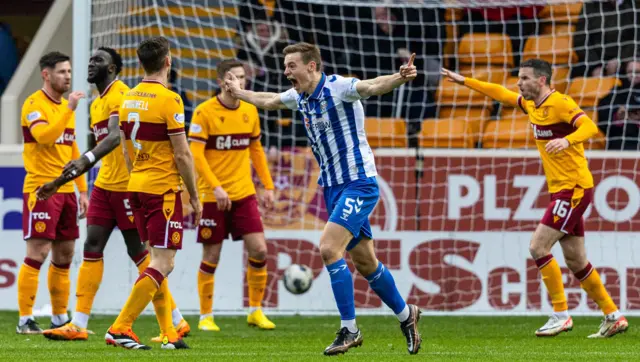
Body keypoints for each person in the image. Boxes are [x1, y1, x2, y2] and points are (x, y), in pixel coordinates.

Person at [225, 42, 422, 355]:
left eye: (292, 66)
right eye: (285, 66)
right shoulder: (300, 97)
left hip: (358, 182)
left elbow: (370, 86)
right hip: (332, 187)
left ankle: (350, 329)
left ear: (311, 66)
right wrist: (239, 93)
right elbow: (271, 100)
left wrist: (399, 78)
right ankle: (406, 314)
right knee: (366, 263)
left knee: (329, 249)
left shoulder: (339, 87)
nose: (286, 71)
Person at [441, 59, 629, 338]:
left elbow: (589, 126)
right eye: (519, 78)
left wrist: (567, 140)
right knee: (577, 261)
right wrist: (465, 81)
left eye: (525, 78)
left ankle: (560, 314)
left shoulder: (560, 103)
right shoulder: (532, 105)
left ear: (541, 80)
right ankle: (613, 315)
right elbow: (501, 93)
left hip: (574, 188)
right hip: (564, 189)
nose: (519, 83)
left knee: (538, 247)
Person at [37, 47, 190, 341]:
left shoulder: (122, 94)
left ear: (113, 68)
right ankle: (78, 323)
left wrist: (86, 160)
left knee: (143, 256)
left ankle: (174, 321)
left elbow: (114, 136)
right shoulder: (97, 102)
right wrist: (63, 179)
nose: (91, 63)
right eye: (91, 58)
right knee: (92, 246)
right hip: (105, 185)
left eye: (99, 60)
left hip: (127, 186)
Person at [104, 36, 201, 350]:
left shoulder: (128, 98)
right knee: (163, 262)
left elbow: (124, 145)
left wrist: (136, 175)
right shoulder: (169, 100)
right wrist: (195, 196)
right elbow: (183, 154)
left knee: (153, 261)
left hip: (136, 186)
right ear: (168, 61)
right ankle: (121, 326)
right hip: (162, 190)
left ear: (139, 62)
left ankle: (168, 334)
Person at [188, 59, 275, 332]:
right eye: (234, 78)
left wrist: (269, 186)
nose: (239, 83)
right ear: (221, 82)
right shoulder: (204, 112)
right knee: (212, 255)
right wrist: (215, 186)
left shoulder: (250, 110)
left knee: (259, 248)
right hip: (213, 196)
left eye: (242, 78)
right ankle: (205, 316)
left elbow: (257, 151)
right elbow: (196, 155)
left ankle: (256, 311)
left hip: (243, 192)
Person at [16, 51, 88, 334]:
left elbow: (71, 148)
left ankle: (60, 318)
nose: (67, 76)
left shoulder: (63, 108)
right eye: (61, 72)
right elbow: (44, 137)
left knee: (65, 253)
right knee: (39, 251)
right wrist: (69, 109)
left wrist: (82, 189)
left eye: (69, 71)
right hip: (41, 188)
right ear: (46, 74)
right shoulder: (34, 104)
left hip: (67, 190)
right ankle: (25, 319)